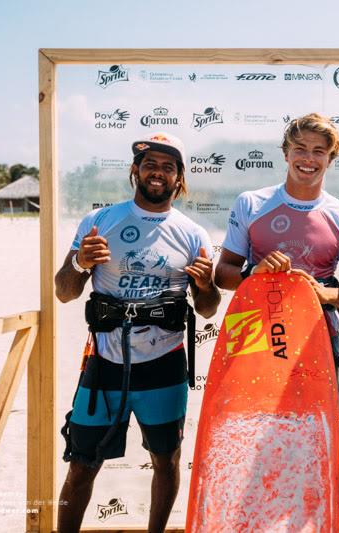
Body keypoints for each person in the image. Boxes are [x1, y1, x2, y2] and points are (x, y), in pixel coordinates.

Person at [54, 132, 221, 533]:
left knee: (166, 461)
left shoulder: (194, 234)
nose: (157, 172)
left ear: (179, 178)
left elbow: (209, 309)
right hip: (104, 364)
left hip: (164, 365)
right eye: (149, 164)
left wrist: (205, 287)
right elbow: (63, 292)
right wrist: (78, 263)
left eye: (167, 166)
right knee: (81, 465)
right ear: (135, 171)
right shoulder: (100, 221)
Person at [214, 113, 339, 371]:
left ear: (330, 159)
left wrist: (325, 294)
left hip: (315, 329)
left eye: (319, 151)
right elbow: (222, 274)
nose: (308, 158)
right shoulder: (251, 203)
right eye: (300, 149)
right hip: (255, 329)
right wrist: (253, 273)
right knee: (255, 413)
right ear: (286, 154)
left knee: (315, 413)